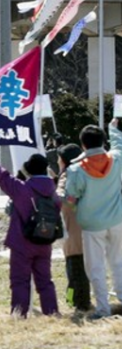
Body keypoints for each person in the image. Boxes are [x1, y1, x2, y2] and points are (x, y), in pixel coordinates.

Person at [0, 148, 60, 317]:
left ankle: (19, 314)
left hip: (22, 243)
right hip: (45, 241)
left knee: (20, 280)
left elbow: (1, 176)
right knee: (45, 281)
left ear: (29, 170)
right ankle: (52, 312)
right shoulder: (53, 192)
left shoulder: (21, 189)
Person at [64, 122, 122, 320]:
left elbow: (71, 197)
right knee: (118, 262)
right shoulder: (117, 159)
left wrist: (70, 210)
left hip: (91, 225)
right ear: (103, 141)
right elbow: (119, 144)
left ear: (83, 145)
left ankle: (103, 309)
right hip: (117, 220)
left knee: (95, 267)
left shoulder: (76, 170)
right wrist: (113, 128)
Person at [56, 143, 90, 312]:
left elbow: (61, 197)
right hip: (89, 228)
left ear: (63, 160)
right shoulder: (86, 172)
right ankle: (81, 301)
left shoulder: (67, 175)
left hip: (72, 229)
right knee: (84, 269)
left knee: (74, 270)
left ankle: (76, 302)